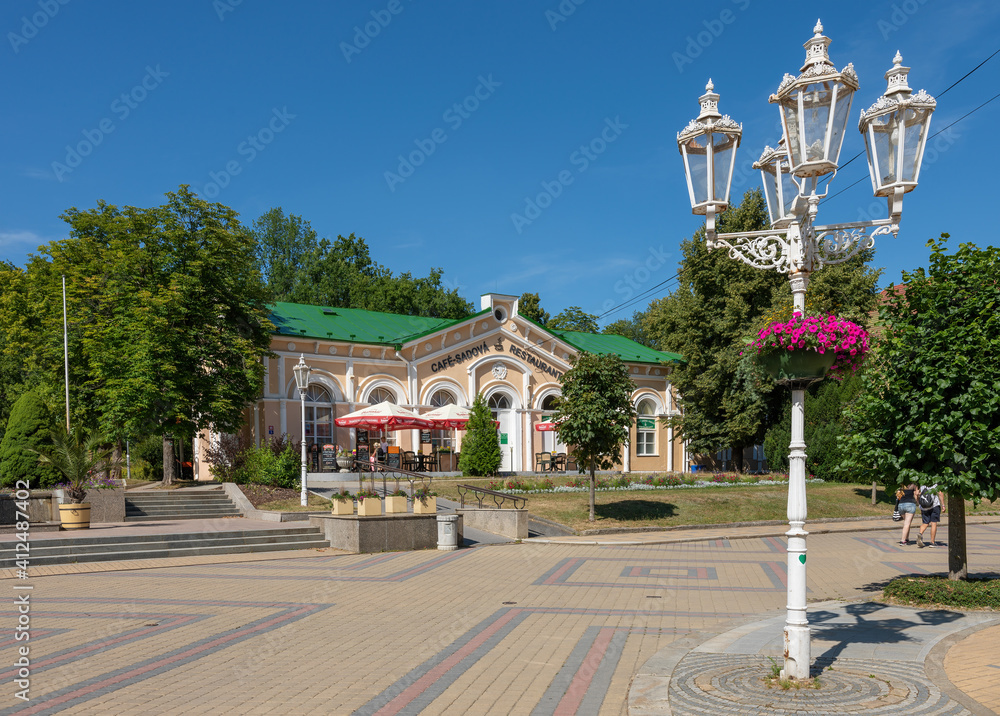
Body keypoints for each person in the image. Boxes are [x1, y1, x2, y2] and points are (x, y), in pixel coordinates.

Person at [917, 483, 946, 548]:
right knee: (933, 523)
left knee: (925, 523)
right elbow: (940, 494)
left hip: (924, 507)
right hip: (934, 506)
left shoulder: (922, 484)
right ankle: (932, 542)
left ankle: (920, 533)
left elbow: (916, 494)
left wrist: (919, 503)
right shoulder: (935, 484)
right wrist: (943, 505)